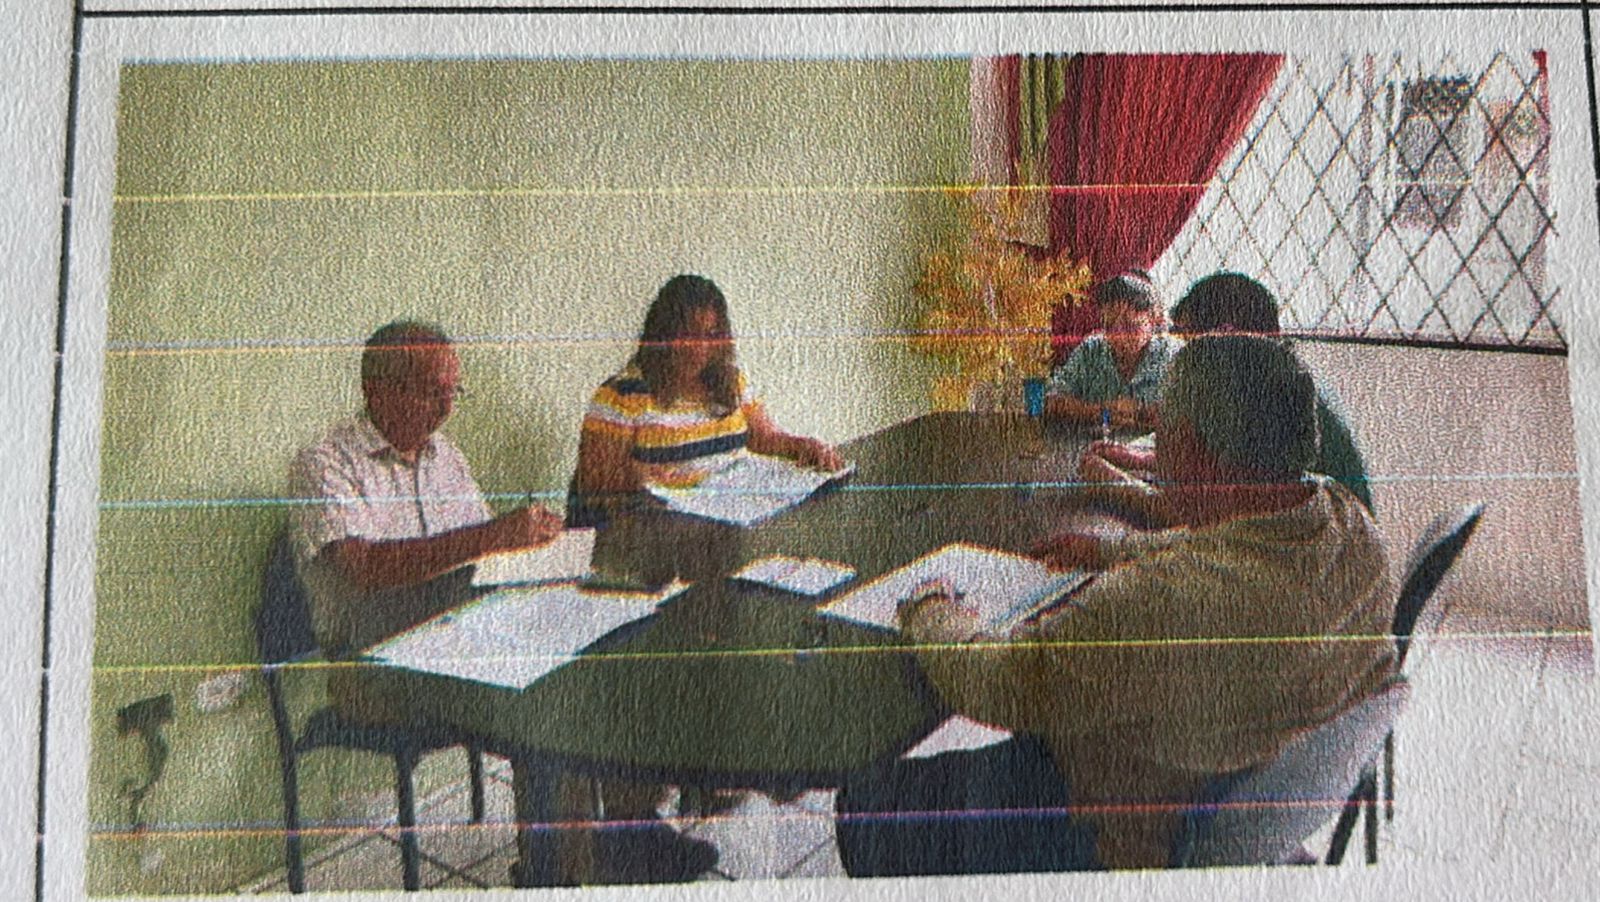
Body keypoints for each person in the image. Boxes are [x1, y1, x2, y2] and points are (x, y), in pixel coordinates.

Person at [834, 335, 1397, 874]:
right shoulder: (1348, 521)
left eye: (1162, 427)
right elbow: (1230, 545)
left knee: (865, 806)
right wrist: (1113, 549)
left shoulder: (1167, 598)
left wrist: (928, 607)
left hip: (1124, 827)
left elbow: (1000, 685)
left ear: (1193, 448)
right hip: (1242, 788)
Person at [288, 320, 564, 659]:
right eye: (431, 393)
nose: (446, 408)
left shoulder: (445, 454)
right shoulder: (325, 461)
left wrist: (531, 538)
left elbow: (484, 552)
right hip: (368, 653)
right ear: (376, 391)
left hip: (452, 630)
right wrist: (492, 536)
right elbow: (365, 568)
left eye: (453, 392)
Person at [1081, 272, 1374, 517]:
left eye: (1190, 343)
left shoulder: (1260, 398)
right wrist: (1138, 458)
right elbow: (1220, 468)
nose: (1184, 357)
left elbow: (1193, 514)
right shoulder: (1281, 376)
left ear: (1225, 337)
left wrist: (1109, 481)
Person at [571, 273, 844, 529]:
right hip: (660, 528)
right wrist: (633, 476)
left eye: (710, 335)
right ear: (663, 335)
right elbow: (591, 481)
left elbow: (763, 437)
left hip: (729, 516)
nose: (699, 349)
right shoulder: (620, 395)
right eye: (688, 335)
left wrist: (804, 446)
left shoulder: (731, 381)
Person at [1044, 270, 1181, 431]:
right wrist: (1100, 412)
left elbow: (1189, 412)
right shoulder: (1092, 349)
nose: (1118, 337)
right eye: (1108, 327)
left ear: (1152, 319)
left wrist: (1140, 411)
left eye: (1130, 326)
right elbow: (1051, 399)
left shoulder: (1173, 354)